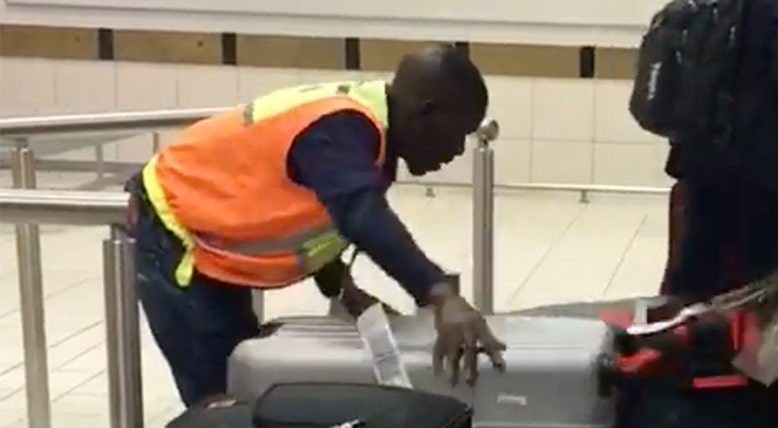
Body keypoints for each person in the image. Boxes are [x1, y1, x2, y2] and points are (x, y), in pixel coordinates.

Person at [125, 44, 505, 406]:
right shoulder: (343, 127)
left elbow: (309, 209)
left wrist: (341, 289)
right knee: (220, 402)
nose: (457, 151)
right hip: (176, 233)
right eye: (458, 135)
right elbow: (359, 214)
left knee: (239, 380)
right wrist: (440, 295)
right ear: (426, 112)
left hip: (207, 239)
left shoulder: (365, 131)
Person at [662, 0, 778, 301]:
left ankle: (681, 338)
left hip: (704, 151)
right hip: (759, 163)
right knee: (758, 282)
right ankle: (740, 342)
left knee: (697, 269)